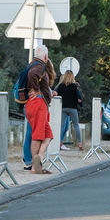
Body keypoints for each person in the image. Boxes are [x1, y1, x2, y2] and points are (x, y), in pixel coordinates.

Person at [25, 45, 56, 174]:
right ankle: (34, 167)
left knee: (48, 135)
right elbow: (32, 75)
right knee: (37, 136)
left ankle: (39, 159)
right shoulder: (39, 66)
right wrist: (37, 90)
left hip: (36, 104)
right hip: (38, 103)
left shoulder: (32, 64)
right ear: (45, 56)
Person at [55, 70, 83, 151]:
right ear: (72, 77)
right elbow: (79, 99)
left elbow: (55, 93)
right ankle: (80, 144)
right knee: (76, 126)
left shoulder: (60, 86)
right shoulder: (74, 86)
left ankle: (58, 143)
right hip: (73, 108)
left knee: (61, 126)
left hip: (63, 108)